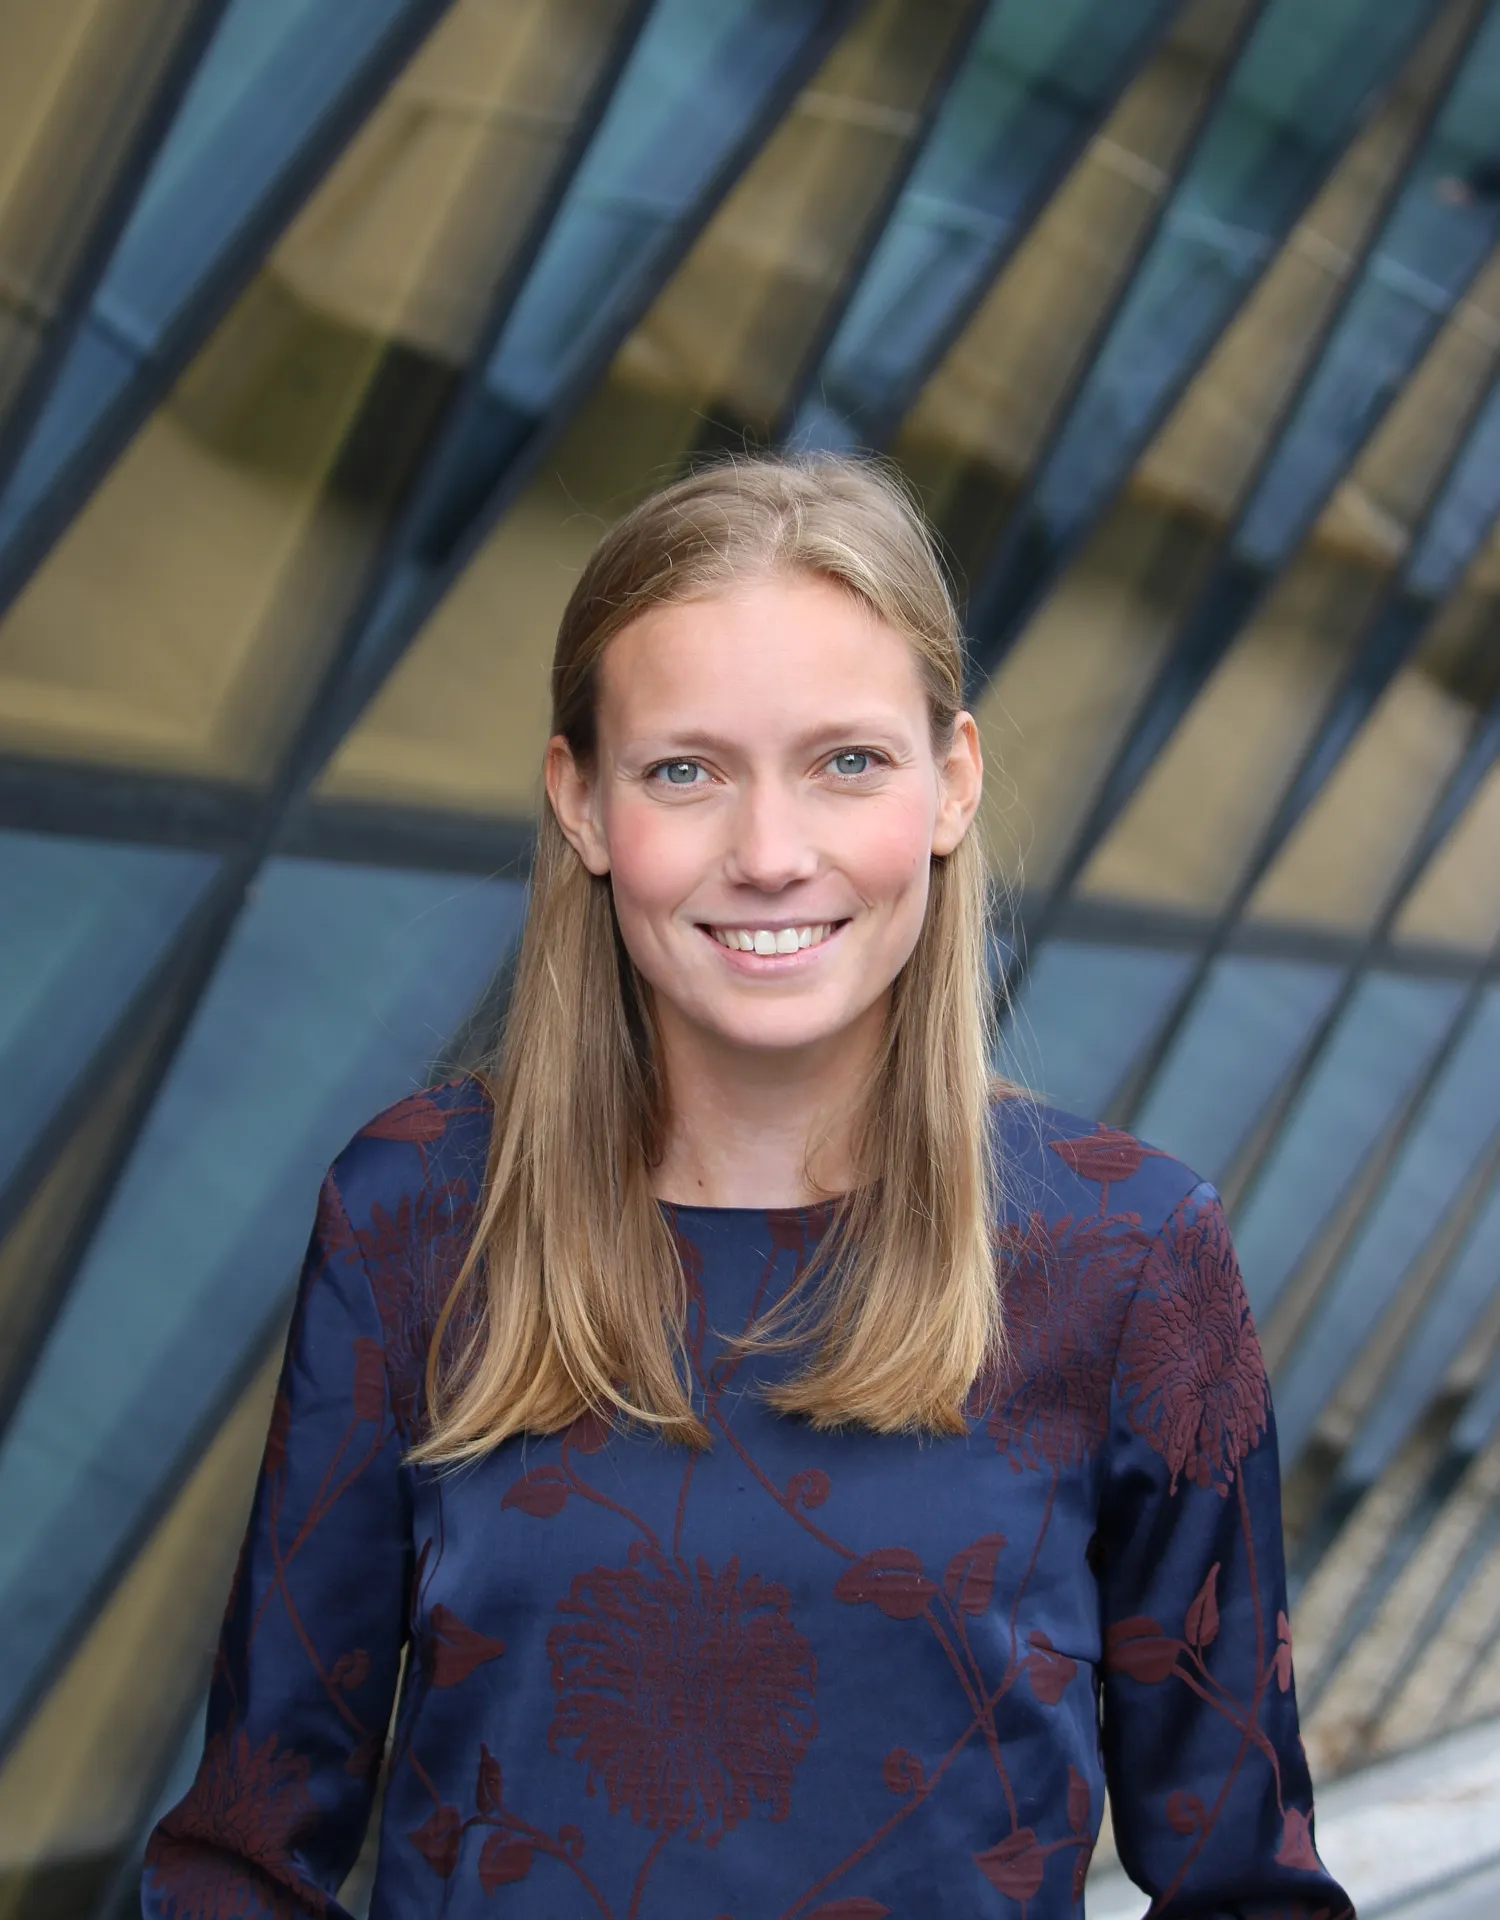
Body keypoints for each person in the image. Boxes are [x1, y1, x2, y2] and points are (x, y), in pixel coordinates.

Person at [143, 456, 1351, 1919]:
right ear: (581, 804)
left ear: (952, 785)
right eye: (684, 771)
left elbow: (1245, 1883)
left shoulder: (1130, 1254)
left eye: (847, 762)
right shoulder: (413, 1216)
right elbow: (244, 1859)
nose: (771, 856)